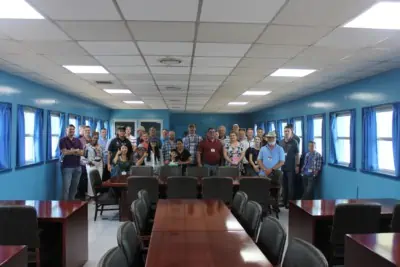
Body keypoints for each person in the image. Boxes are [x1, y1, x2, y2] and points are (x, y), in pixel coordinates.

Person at [257, 131, 285, 211]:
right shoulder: (263, 148)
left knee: (275, 191)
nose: (270, 139)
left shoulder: (280, 149)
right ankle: (265, 207)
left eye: (272, 137)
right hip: (263, 173)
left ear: (275, 138)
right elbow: (259, 160)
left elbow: (282, 162)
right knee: (263, 190)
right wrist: (264, 169)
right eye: (269, 137)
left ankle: (275, 206)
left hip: (275, 174)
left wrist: (271, 169)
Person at [59, 125, 84, 200]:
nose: (72, 131)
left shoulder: (77, 140)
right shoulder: (62, 140)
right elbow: (65, 152)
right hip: (67, 167)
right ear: (66, 130)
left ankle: (71, 204)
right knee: (66, 188)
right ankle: (64, 206)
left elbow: (82, 153)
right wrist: (75, 150)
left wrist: (71, 151)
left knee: (74, 188)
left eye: (73, 129)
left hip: (77, 167)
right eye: (70, 129)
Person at [280, 125, 300, 209]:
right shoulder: (281, 142)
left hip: (291, 167)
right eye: (285, 131)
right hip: (282, 167)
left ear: (291, 132)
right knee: (284, 185)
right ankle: (284, 201)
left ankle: (290, 202)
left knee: (290, 186)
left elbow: (297, 154)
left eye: (288, 131)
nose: (286, 133)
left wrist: (297, 166)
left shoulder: (294, 142)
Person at [85, 132, 103, 197]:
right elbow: (83, 157)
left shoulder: (99, 146)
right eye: (94, 138)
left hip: (99, 164)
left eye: (97, 138)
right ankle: (92, 196)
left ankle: (98, 195)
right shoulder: (87, 146)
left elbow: (101, 155)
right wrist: (88, 162)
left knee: (99, 179)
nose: (96, 139)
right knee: (91, 180)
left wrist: (98, 151)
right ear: (91, 137)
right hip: (91, 164)